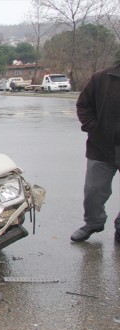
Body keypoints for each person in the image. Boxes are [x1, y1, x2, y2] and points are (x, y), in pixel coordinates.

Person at [71, 63, 120, 243]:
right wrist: (94, 129)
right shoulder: (102, 77)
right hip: (101, 147)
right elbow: (83, 105)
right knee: (94, 190)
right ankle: (94, 222)